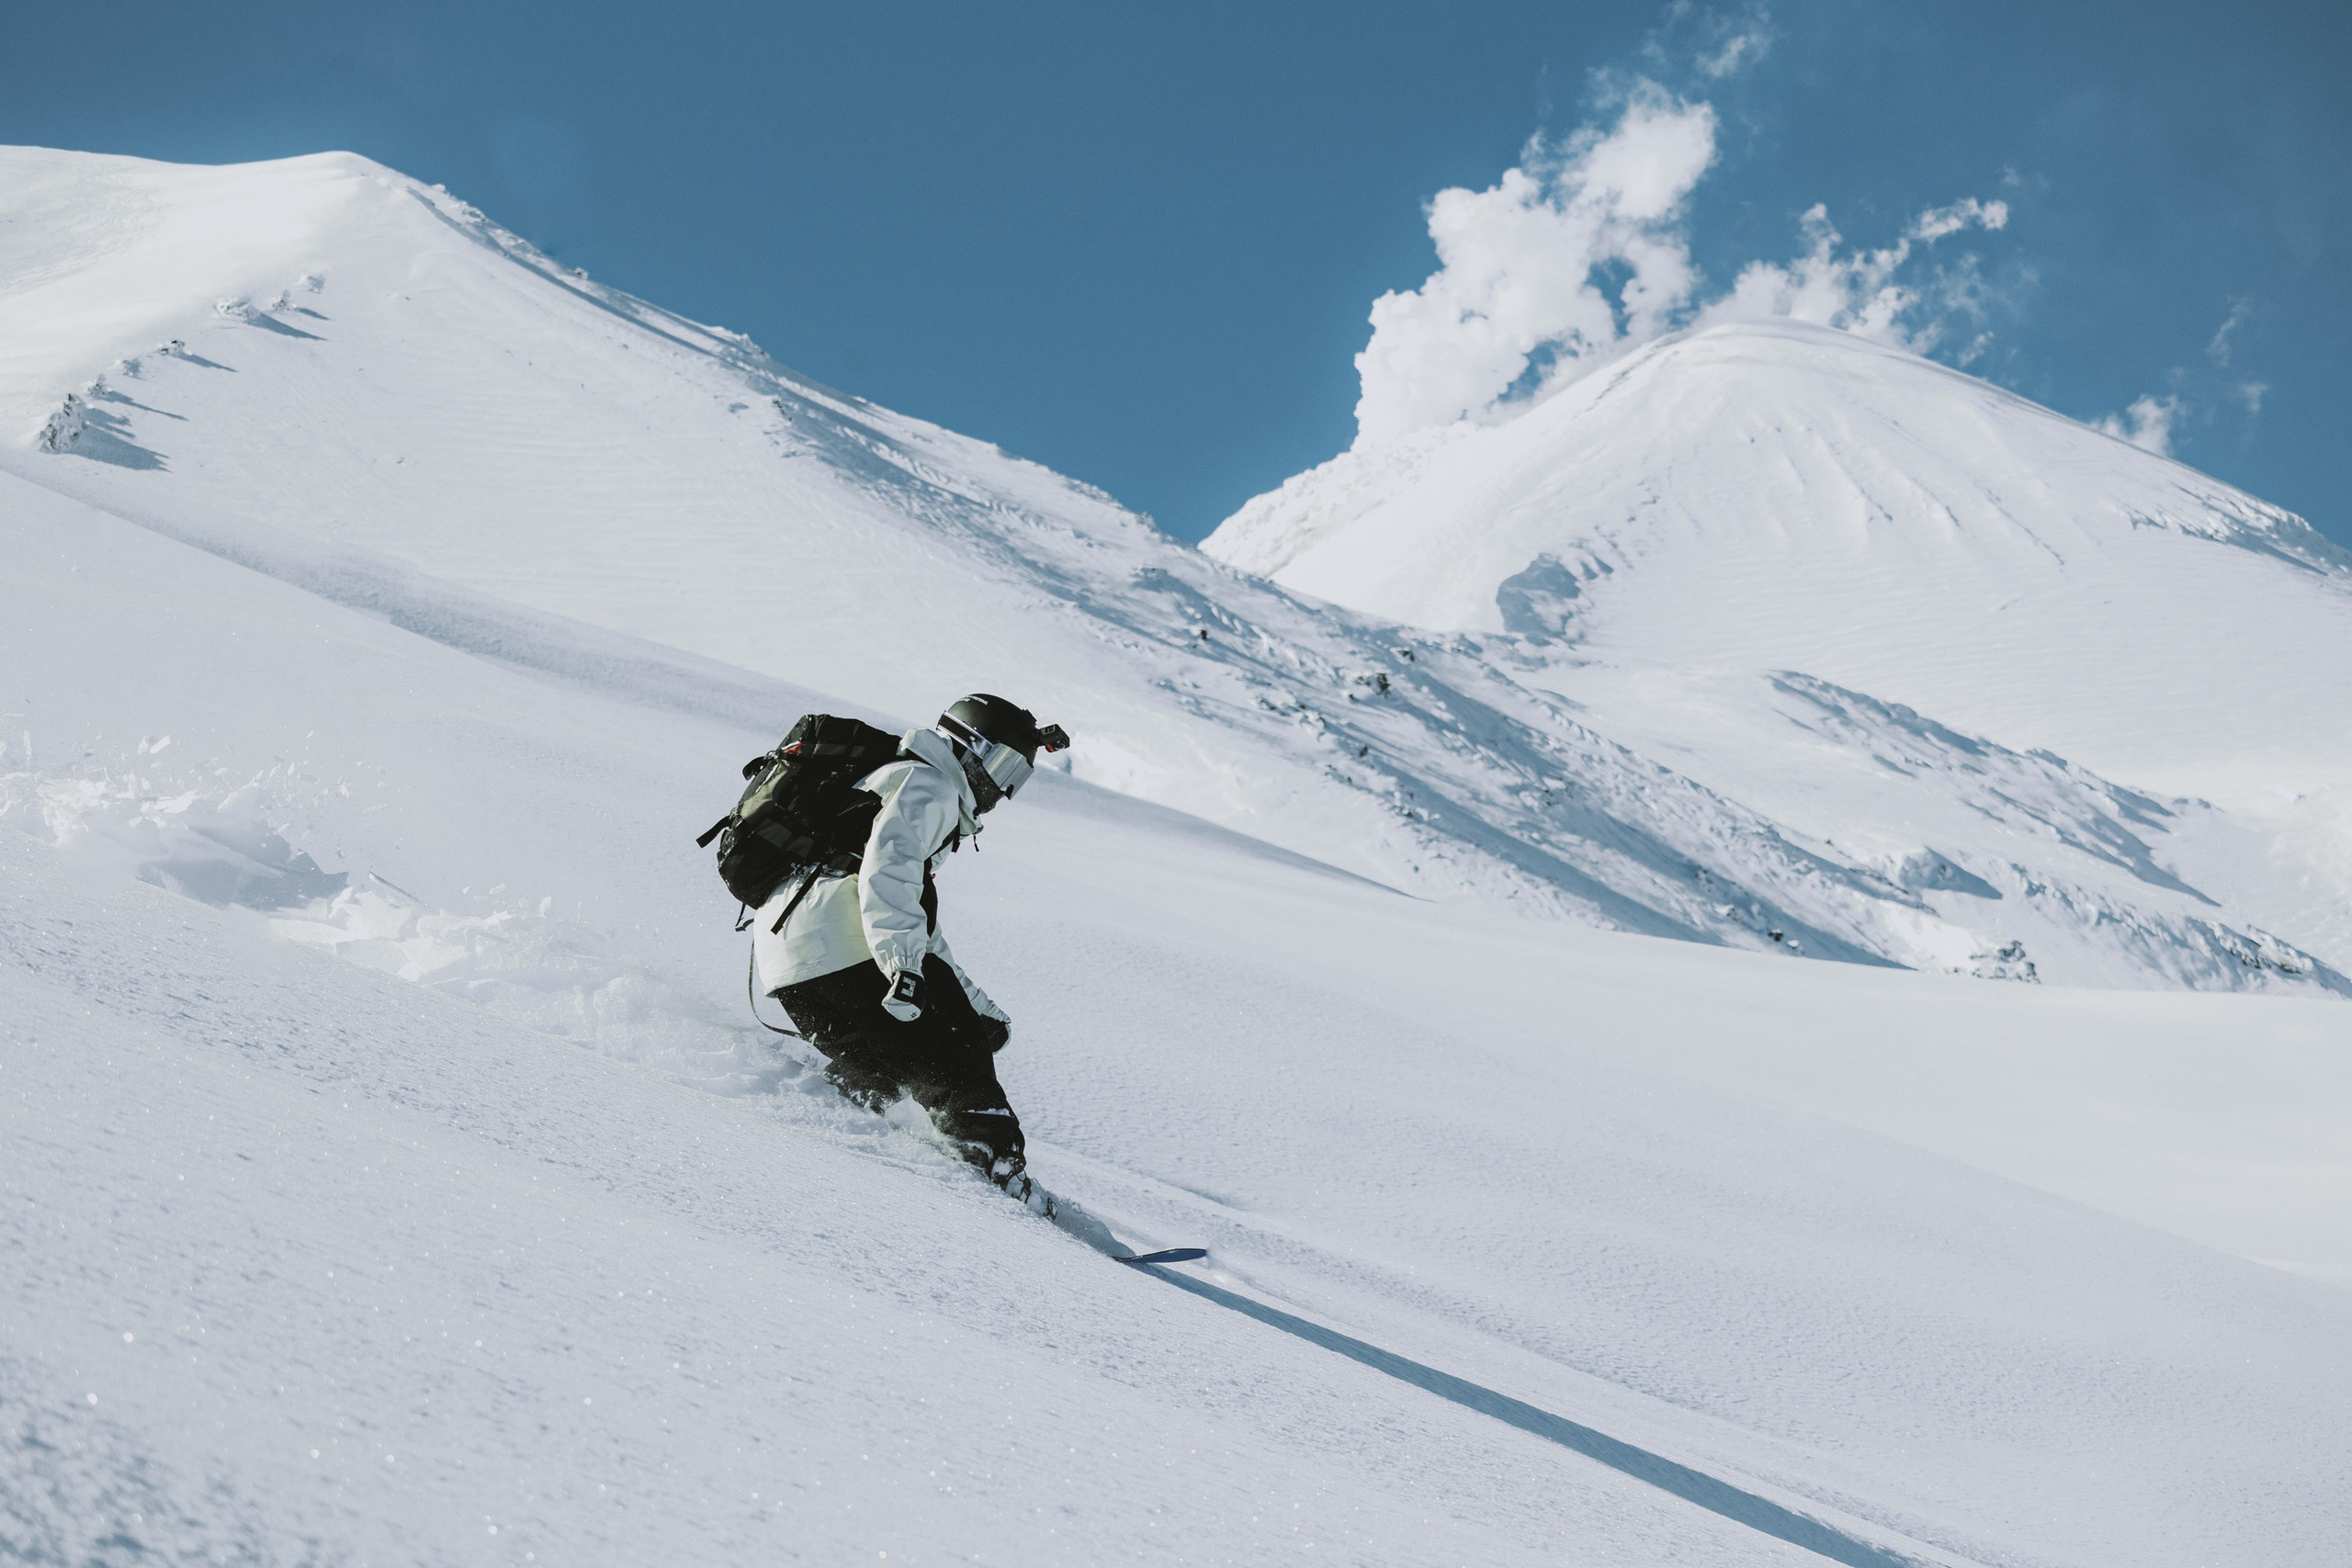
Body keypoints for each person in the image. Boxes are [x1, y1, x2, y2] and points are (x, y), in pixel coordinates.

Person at [753, 694, 1068, 1196]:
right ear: (970, 748)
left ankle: (851, 1157)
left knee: (879, 1077)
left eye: (1018, 777)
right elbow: (890, 870)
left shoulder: (893, 781)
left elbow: (914, 920)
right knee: (961, 1068)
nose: (1004, 789)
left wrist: (981, 1009)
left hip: (791, 968)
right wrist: (903, 969)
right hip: (850, 947)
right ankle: (999, 1177)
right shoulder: (931, 784)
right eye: (1004, 765)